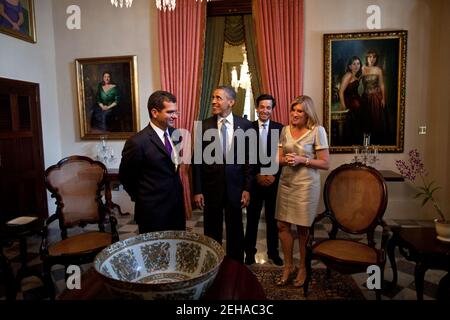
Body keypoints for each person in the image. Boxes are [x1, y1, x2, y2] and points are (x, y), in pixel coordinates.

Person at [193, 85, 253, 263]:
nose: (213, 101)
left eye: (218, 98)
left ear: (231, 102)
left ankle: (235, 266)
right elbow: (197, 162)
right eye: (213, 97)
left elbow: (250, 161)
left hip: (236, 188)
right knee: (211, 230)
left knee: (235, 229)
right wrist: (198, 190)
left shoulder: (245, 126)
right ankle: (212, 264)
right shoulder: (203, 126)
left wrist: (247, 188)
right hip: (211, 189)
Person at [275, 95, 329, 287]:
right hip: (287, 182)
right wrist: (286, 160)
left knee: (303, 229)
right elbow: (278, 158)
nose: (295, 114)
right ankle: (288, 266)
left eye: (300, 111)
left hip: (306, 185)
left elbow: (325, 163)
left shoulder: (317, 131)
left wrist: (302, 160)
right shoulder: (284, 130)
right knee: (282, 225)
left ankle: (304, 267)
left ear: (307, 114)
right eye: (293, 110)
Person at [119, 90, 185, 234]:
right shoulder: (137, 142)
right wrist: (144, 198)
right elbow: (126, 177)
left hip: (176, 208)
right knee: (155, 254)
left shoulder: (176, 135)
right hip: (152, 212)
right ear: (155, 112)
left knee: (177, 250)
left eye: (176, 112)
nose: (175, 116)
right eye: (170, 112)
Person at [244, 94, 284, 266]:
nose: (265, 110)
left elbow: (282, 156)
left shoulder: (280, 129)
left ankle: (273, 253)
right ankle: (249, 254)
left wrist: (273, 175)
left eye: (268, 107)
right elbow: (246, 157)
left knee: (272, 220)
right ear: (257, 108)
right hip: (254, 182)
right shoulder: (248, 128)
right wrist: (257, 175)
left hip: (273, 182)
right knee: (251, 220)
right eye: (262, 107)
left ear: (272, 109)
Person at [361, 50, 390, 145]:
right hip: (365, 98)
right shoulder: (362, 68)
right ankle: (366, 144)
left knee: (376, 121)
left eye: (374, 57)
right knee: (365, 121)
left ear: (376, 58)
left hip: (376, 98)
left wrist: (383, 98)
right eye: (370, 56)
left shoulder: (378, 70)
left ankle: (376, 143)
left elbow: (382, 84)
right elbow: (355, 79)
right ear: (366, 58)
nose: (372, 59)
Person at [339, 56, 363, 145]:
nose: (356, 66)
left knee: (358, 127)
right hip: (350, 104)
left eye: (358, 63)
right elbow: (341, 92)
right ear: (349, 66)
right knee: (352, 127)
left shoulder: (355, 75)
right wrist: (344, 106)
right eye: (354, 64)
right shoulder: (348, 75)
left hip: (356, 104)